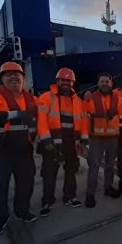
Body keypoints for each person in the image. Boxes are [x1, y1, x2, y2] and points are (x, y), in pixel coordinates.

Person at [0, 61, 38, 237]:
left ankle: (22, 211)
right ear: (2, 79)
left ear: (23, 79)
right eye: (8, 74)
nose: (13, 77)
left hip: (24, 151)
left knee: (26, 184)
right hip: (0, 152)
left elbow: (46, 113)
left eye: (17, 74)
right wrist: (14, 114)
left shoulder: (31, 99)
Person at [37, 67, 89, 217]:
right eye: (63, 80)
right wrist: (46, 140)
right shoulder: (46, 98)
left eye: (69, 81)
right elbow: (41, 121)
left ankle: (69, 197)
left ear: (72, 83)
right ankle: (47, 201)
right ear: (57, 81)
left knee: (71, 171)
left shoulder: (78, 101)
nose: (66, 83)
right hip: (51, 143)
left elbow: (83, 123)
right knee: (49, 174)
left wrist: (84, 142)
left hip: (71, 144)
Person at [82, 72, 122, 208]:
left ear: (111, 84)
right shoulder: (90, 98)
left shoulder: (117, 99)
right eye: (102, 81)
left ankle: (108, 188)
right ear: (98, 83)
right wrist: (84, 139)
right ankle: (90, 194)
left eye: (107, 82)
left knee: (110, 165)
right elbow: (84, 118)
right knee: (94, 166)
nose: (105, 84)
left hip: (113, 138)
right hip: (96, 139)